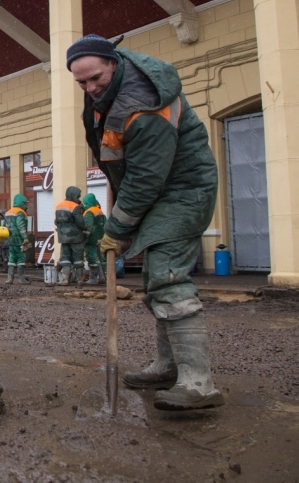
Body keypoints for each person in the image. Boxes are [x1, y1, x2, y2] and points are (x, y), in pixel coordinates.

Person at [68, 33, 222, 411]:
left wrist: (116, 229)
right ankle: (170, 367)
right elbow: (125, 168)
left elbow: (146, 178)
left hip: (182, 189)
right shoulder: (109, 97)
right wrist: (122, 222)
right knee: (156, 275)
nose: (90, 88)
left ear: (114, 64)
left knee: (167, 273)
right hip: (157, 190)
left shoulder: (143, 105)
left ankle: (199, 383)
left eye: (96, 78)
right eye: (81, 83)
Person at [54, 186, 87, 285]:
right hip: (75, 236)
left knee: (65, 258)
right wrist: (85, 227)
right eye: (78, 196)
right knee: (78, 258)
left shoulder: (59, 206)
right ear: (73, 195)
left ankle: (64, 280)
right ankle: (80, 280)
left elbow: (56, 221)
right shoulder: (75, 206)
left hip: (63, 237)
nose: (79, 198)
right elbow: (80, 222)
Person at [4, 193, 32, 284]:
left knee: (12, 258)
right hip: (19, 239)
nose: (26, 205)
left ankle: (9, 279)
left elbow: (4, 226)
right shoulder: (20, 212)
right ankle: (21, 279)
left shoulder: (8, 212)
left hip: (10, 238)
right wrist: (25, 238)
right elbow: (21, 226)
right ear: (21, 203)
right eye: (25, 203)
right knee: (21, 258)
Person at [82, 193, 107, 285]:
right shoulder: (100, 211)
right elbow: (106, 224)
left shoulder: (89, 212)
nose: (84, 204)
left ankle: (93, 279)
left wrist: (83, 238)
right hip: (101, 238)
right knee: (102, 258)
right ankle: (103, 277)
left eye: (85, 202)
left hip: (91, 239)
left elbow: (88, 227)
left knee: (92, 258)